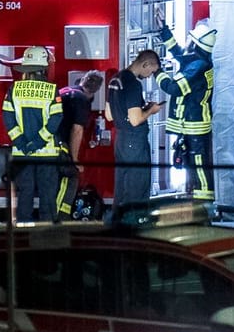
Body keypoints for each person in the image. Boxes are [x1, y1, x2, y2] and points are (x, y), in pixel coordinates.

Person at [2, 46, 67, 224]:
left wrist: (21, 142)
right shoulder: (52, 90)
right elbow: (56, 119)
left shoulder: (13, 89)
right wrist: (38, 142)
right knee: (48, 198)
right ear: (43, 68)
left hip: (22, 154)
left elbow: (8, 118)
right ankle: (46, 239)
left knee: (25, 197)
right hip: (47, 155)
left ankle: (23, 236)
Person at [161, 19, 219, 213]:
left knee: (200, 170)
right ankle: (200, 206)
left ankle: (205, 210)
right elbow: (179, 54)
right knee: (194, 168)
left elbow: (173, 88)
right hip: (192, 124)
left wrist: (156, 71)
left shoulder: (196, 67)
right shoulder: (197, 62)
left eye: (189, 39)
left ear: (195, 44)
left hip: (195, 126)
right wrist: (164, 30)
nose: (186, 42)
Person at [105, 48, 163, 213]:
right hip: (134, 142)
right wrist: (151, 110)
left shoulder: (115, 79)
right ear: (145, 64)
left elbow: (109, 115)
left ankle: (117, 225)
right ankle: (134, 227)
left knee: (121, 187)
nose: (149, 76)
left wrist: (141, 108)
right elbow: (136, 120)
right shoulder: (133, 84)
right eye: (150, 71)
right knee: (137, 187)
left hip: (121, 141)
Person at [55, 70, 104, 219]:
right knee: (71, 176)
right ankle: (61, 218)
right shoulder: (82, 99)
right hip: (59, 145)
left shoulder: (65, 90)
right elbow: (77, 129)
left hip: (46, 144)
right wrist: (75, 160)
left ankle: (51, 216)